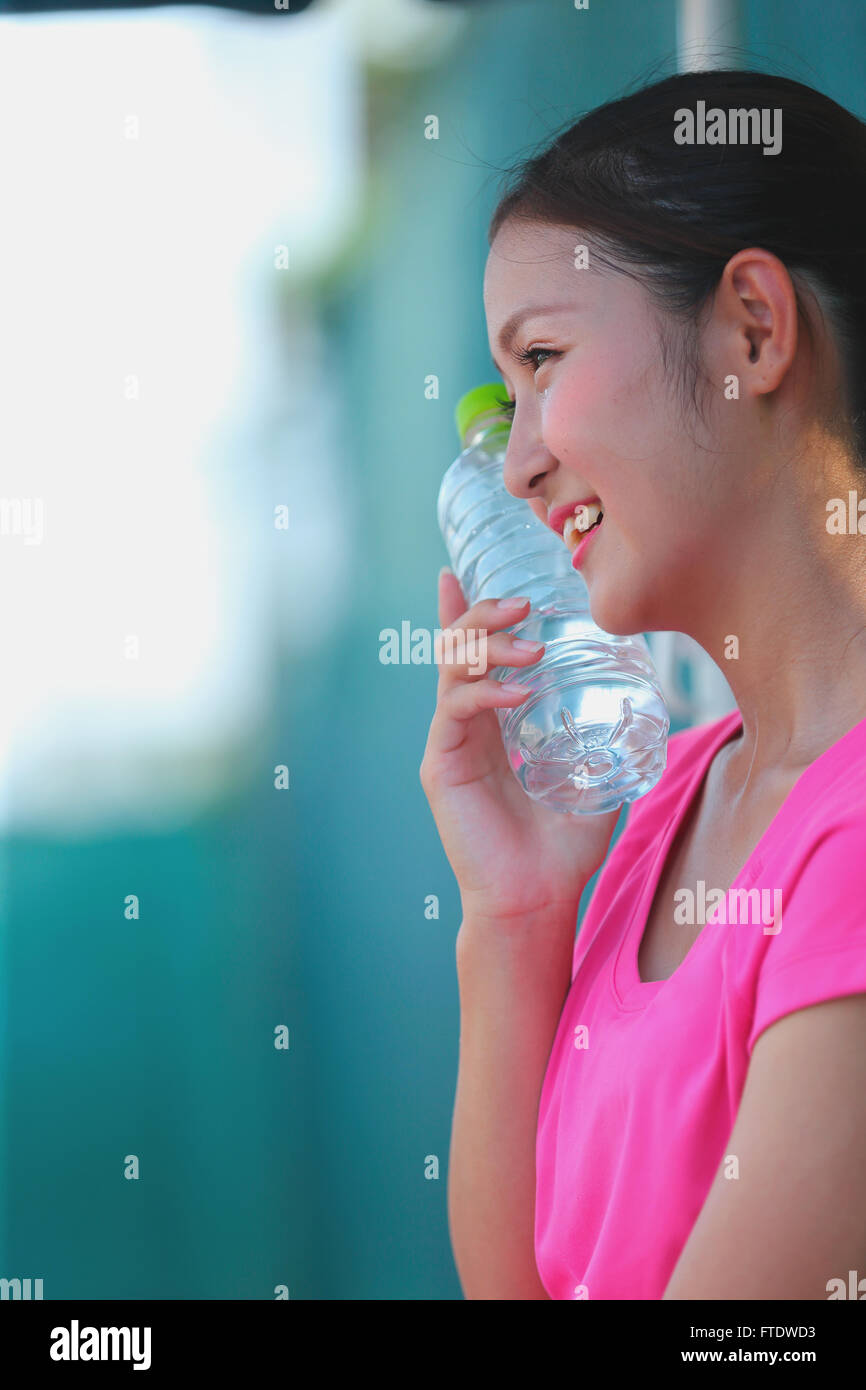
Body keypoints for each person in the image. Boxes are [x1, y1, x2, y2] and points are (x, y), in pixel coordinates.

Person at [420, 68, 866, 1300]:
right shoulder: (673, 796)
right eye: (500, 402)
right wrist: (514, 915)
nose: (514, 469)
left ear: (752, 332)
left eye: (542, 361)